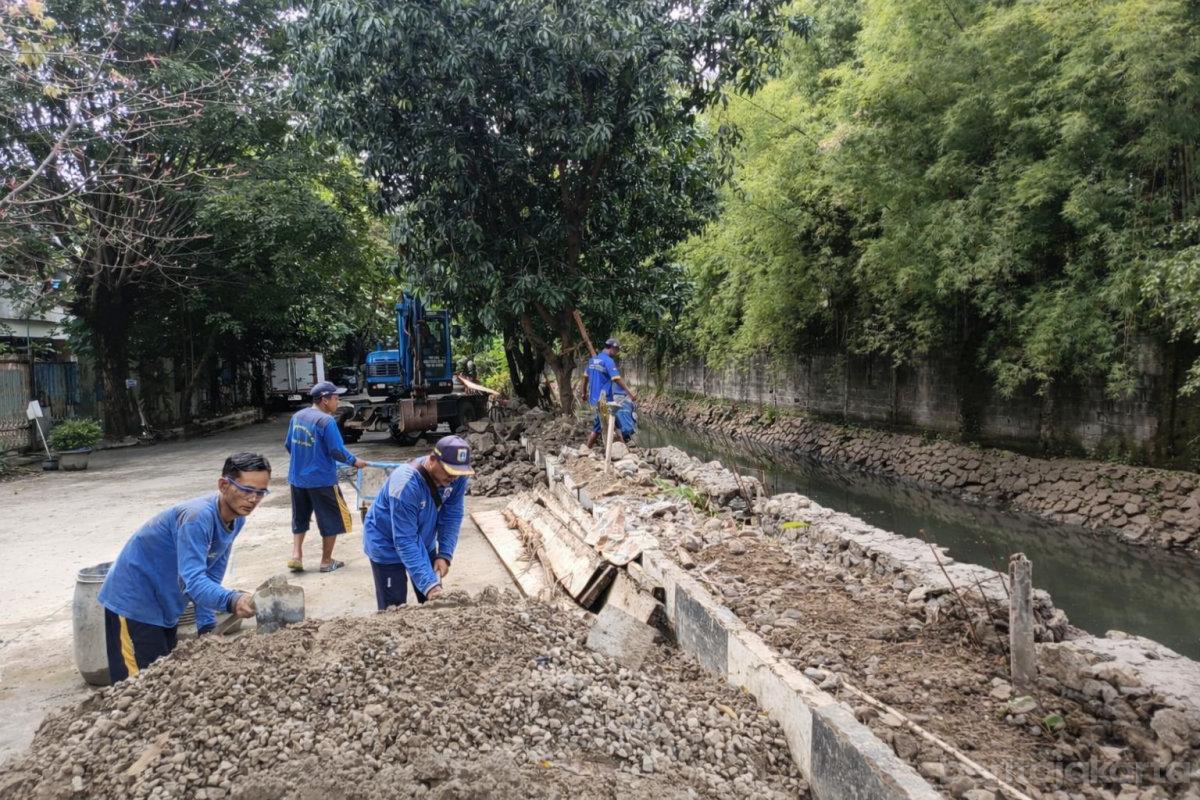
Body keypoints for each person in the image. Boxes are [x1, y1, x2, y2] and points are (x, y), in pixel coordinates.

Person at [96, 452, 270, 683]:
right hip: (133, 603)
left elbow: (211, 573)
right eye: (247, 489)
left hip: (165, 605)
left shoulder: (236, 519)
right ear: (223, 484)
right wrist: (233, 600)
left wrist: (207, 626)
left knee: (162, 680)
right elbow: (193, 581)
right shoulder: (197, 517)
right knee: (137, 687)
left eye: (260, 492)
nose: (253, 499)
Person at [361, 435, 474, 608]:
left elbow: (452, 515)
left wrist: (444, 554)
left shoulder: (457, 477)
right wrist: (429, 585)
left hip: (422, 540)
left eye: (458, 473)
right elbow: (405, 540)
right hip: (387, 544)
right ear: (432, 459)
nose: (453, 478)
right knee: (395, 609)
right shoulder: (406, 485)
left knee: (434, 600)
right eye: (448, 471)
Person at [284, 380, 367, 573]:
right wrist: (355, 461)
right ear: (324, 400)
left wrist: (304, 459)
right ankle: (326, 561)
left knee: (300, 516)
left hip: (297, 478)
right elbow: (336, 450)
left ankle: (296, 555)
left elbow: (289, 445)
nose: (338, 402)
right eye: (336, 398)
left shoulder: (297, 416)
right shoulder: (326, 421)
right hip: (321, 480)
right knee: (331, 519)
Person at [580, 338, 636, 448]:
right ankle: (586, 450)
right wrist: (630, 393)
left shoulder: (592, 360)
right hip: (604, 401)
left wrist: (583, 393)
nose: (617, 352)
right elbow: (617, 379)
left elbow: (585, 378)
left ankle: (624, 450)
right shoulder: (609, 361)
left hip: (595, 400)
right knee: (597, 429)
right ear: (612, 348)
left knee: (616, 424)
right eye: (617, 350)